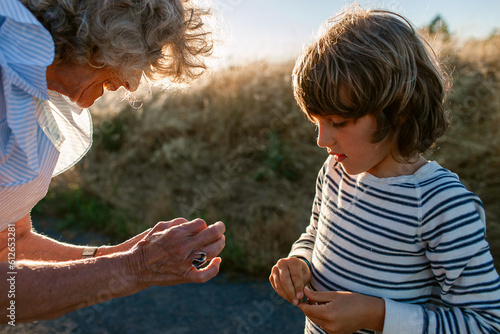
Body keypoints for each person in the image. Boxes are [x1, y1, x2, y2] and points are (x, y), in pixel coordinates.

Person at [269, 6, 500, 334]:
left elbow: (486, 323)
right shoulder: (335, 170)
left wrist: (375, 315)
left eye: (338, 122)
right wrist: (300, 262)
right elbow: (315, 233)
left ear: (399, 112)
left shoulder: (441, 204)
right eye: (316, 121)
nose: (322, 139)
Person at [0, 0, 225, 324]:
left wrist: (118, 254)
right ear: (93, 33)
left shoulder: (35, 96)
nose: (131, 84)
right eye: (132, 60)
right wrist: (134, 268)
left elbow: (13, 245)